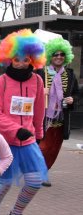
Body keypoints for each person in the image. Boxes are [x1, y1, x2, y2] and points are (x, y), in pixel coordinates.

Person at [0, 29, 47, 215]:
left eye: (25, 59)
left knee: (35, 180)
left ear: (33, 59)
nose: (20, 63)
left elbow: (39, 110)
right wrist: (14, 129)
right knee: (4, 182)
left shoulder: (37, 81)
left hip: (27, 140)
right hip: (5, 140)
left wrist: (38, 133)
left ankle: (16, 214)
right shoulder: (1, 81)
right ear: (9, 58)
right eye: (16, 59)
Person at [36, 37, 79, 186]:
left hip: (61, 118)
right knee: (43, 147)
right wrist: (41, 91)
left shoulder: (70, 74)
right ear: (50, 56)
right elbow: (29, 93)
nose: (59, 57)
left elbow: (76, 93)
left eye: (62, 54)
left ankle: (43, 172)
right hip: (44, 118)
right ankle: (39, 174)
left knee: (54, 149)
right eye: (55, 54)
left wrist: (72, 99)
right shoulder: (40, 74)